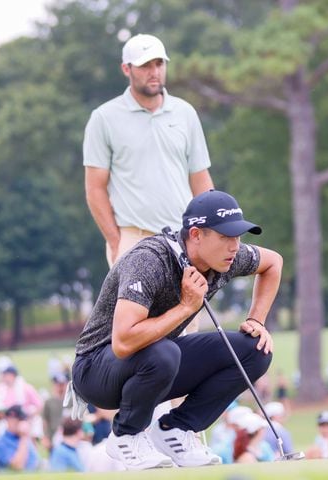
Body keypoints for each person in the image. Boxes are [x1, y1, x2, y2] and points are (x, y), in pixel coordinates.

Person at [71, 190, 281, 470]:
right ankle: (126, 435)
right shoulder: (149, 260)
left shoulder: (224, 257)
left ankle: (176, 429)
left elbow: (273, 263)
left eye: (237, 237)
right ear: (196, 234)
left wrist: (256, 320)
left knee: (255, 350)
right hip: (96, 370)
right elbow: (122, 342)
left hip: (154, 361)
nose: (234, 246)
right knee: (164, 352)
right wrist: (185, 307)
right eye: (225, 237)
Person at [83, 33, 214, 268]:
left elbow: (200, 180)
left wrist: (210, 233)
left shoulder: (185, 113)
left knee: (190, 306)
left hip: (183, 237)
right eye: (145, 65)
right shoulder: (104, 118)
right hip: (133, 238)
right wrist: (115, 241)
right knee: (135, 306)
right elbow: (95, 188)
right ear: (126, 69)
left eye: (159, 63)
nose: (154, 72)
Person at [0, 405, 40, 472]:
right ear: (8, 419)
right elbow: (17, 467)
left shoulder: (26, 439)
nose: (23, 423)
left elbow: (35, 463)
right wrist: (23, 437)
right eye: (20, 420)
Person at [41, 373, 70, 452]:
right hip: (53, 435)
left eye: (62, 384)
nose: (60, 387)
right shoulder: (49, 402)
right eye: (58, 384)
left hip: (69, 435)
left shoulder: (71, 401)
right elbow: (45, 421)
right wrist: (46, 437)